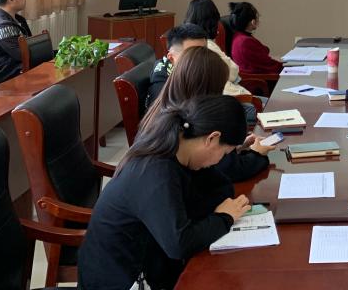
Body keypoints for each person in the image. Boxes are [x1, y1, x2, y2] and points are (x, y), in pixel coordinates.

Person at [78, 95, 252, 290]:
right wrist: (224, 218)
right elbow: (179, 244)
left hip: (151, 266)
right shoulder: (157, 171)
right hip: (120, 281)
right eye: (225, 153)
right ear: (212, 138)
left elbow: (223, 189)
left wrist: (217, 215)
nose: (221, 160)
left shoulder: (179, 150)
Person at [142, 46, 272, 182]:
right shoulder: (195, 117)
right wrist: (257, 154)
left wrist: (230, 145)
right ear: (208, 87)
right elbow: (228, 170)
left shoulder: (166, 106)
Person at [148, 24, 257, 126]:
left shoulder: (194, 69)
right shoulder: (161, 86)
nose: (203, 58)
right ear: (171, 58)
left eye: (204, 52)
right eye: (193, 54)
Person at [183, 0, 249, 98]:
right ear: (212, 21)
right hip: (226, 98)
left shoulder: (184, 43)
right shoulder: (207, 45)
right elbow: (232, 72)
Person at [228, 2, 282, 76]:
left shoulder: (238, 36)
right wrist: (286, 66)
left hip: (251, 77)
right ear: (253, 22)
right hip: (258, 80)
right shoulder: (245, 42)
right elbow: (269, 65)